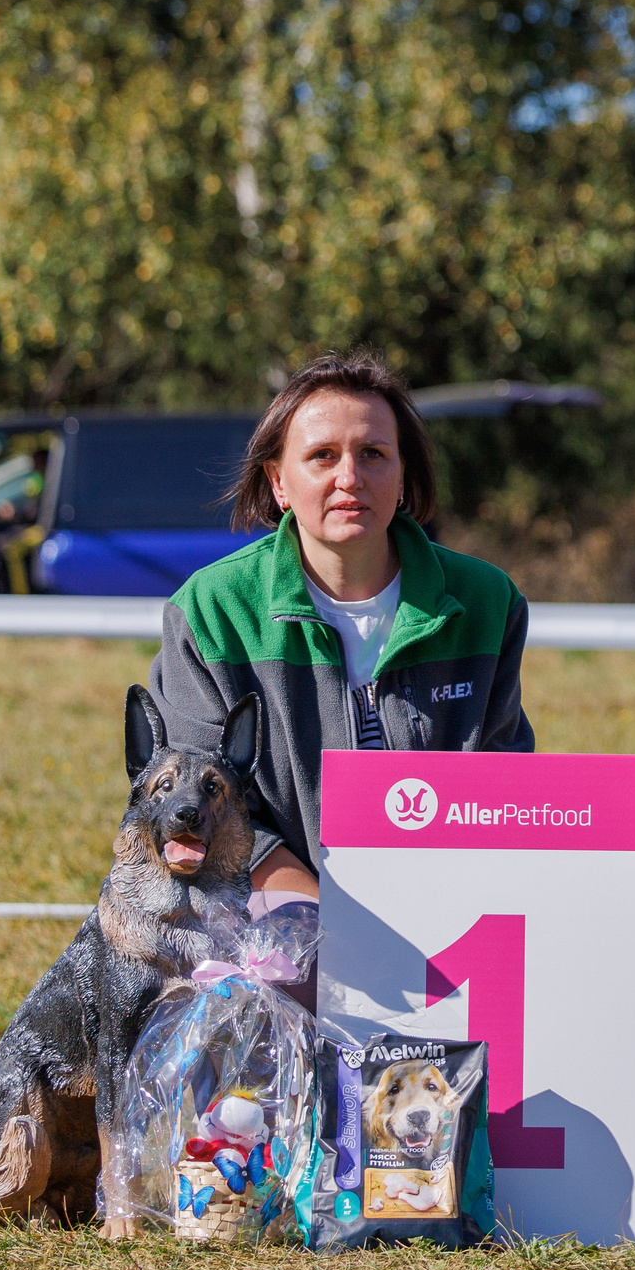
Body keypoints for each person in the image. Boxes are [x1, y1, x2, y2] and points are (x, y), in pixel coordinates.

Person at [151, 351, 534, 909]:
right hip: (264, 914)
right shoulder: (211, 610)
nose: (349, 478)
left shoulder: (486, 601)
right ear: (278, 481)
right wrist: (327, 928)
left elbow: (503, 791)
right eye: (322, 456)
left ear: (404, 477)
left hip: (444, 911)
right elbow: (193, 810)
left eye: (374, 454)